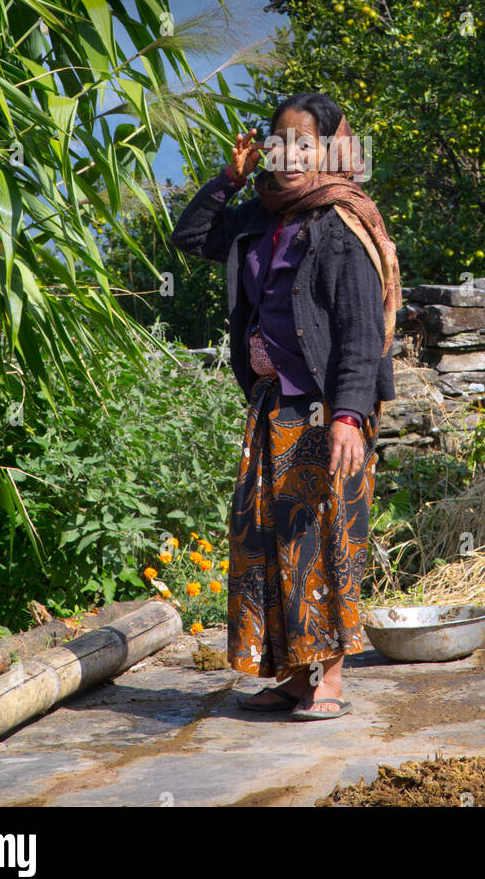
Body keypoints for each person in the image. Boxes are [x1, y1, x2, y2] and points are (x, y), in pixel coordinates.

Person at [169, 91, 401, 719]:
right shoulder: (255, 217)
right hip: (272, 408)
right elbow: (190, 236)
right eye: (280, 142)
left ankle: (330, 677)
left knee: (322, 535)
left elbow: (359, 330)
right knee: (265, 537)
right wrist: (229, 178)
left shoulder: (341, 223)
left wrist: (350, 415)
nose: (291, 155)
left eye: (306, 143)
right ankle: (294, 675)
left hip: (326, 409)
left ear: (329, 150)